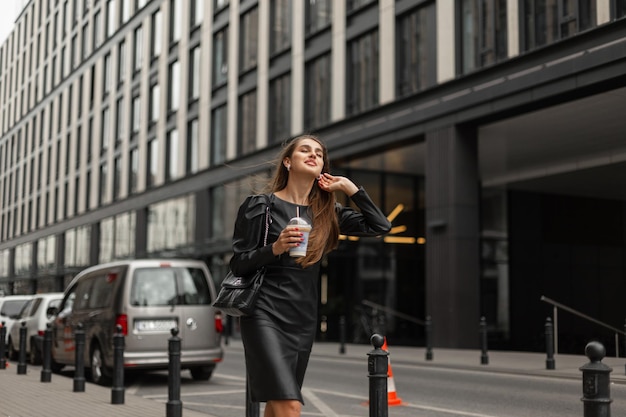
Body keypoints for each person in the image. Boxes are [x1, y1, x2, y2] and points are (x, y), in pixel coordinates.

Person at [229, 134, 392, 417]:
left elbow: (380, 225)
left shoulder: (327, 212)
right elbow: (238, 264)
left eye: (319, 153)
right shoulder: (260, 206)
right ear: (288, 162)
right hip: (263, 313)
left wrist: (350, 188)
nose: (314, 154)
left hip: (302, 318)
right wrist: (275, 248)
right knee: (289, 404)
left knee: (277, 405)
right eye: (305, 150)